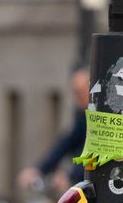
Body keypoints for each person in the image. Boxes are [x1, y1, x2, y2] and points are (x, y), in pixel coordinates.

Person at [17, 65, 90, 193]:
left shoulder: (98, 116)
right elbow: (67, 142)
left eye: (79, 93)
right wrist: (39, 169)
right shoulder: (82, 114)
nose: (76, 100)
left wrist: (70, 174)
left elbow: (90, 148)